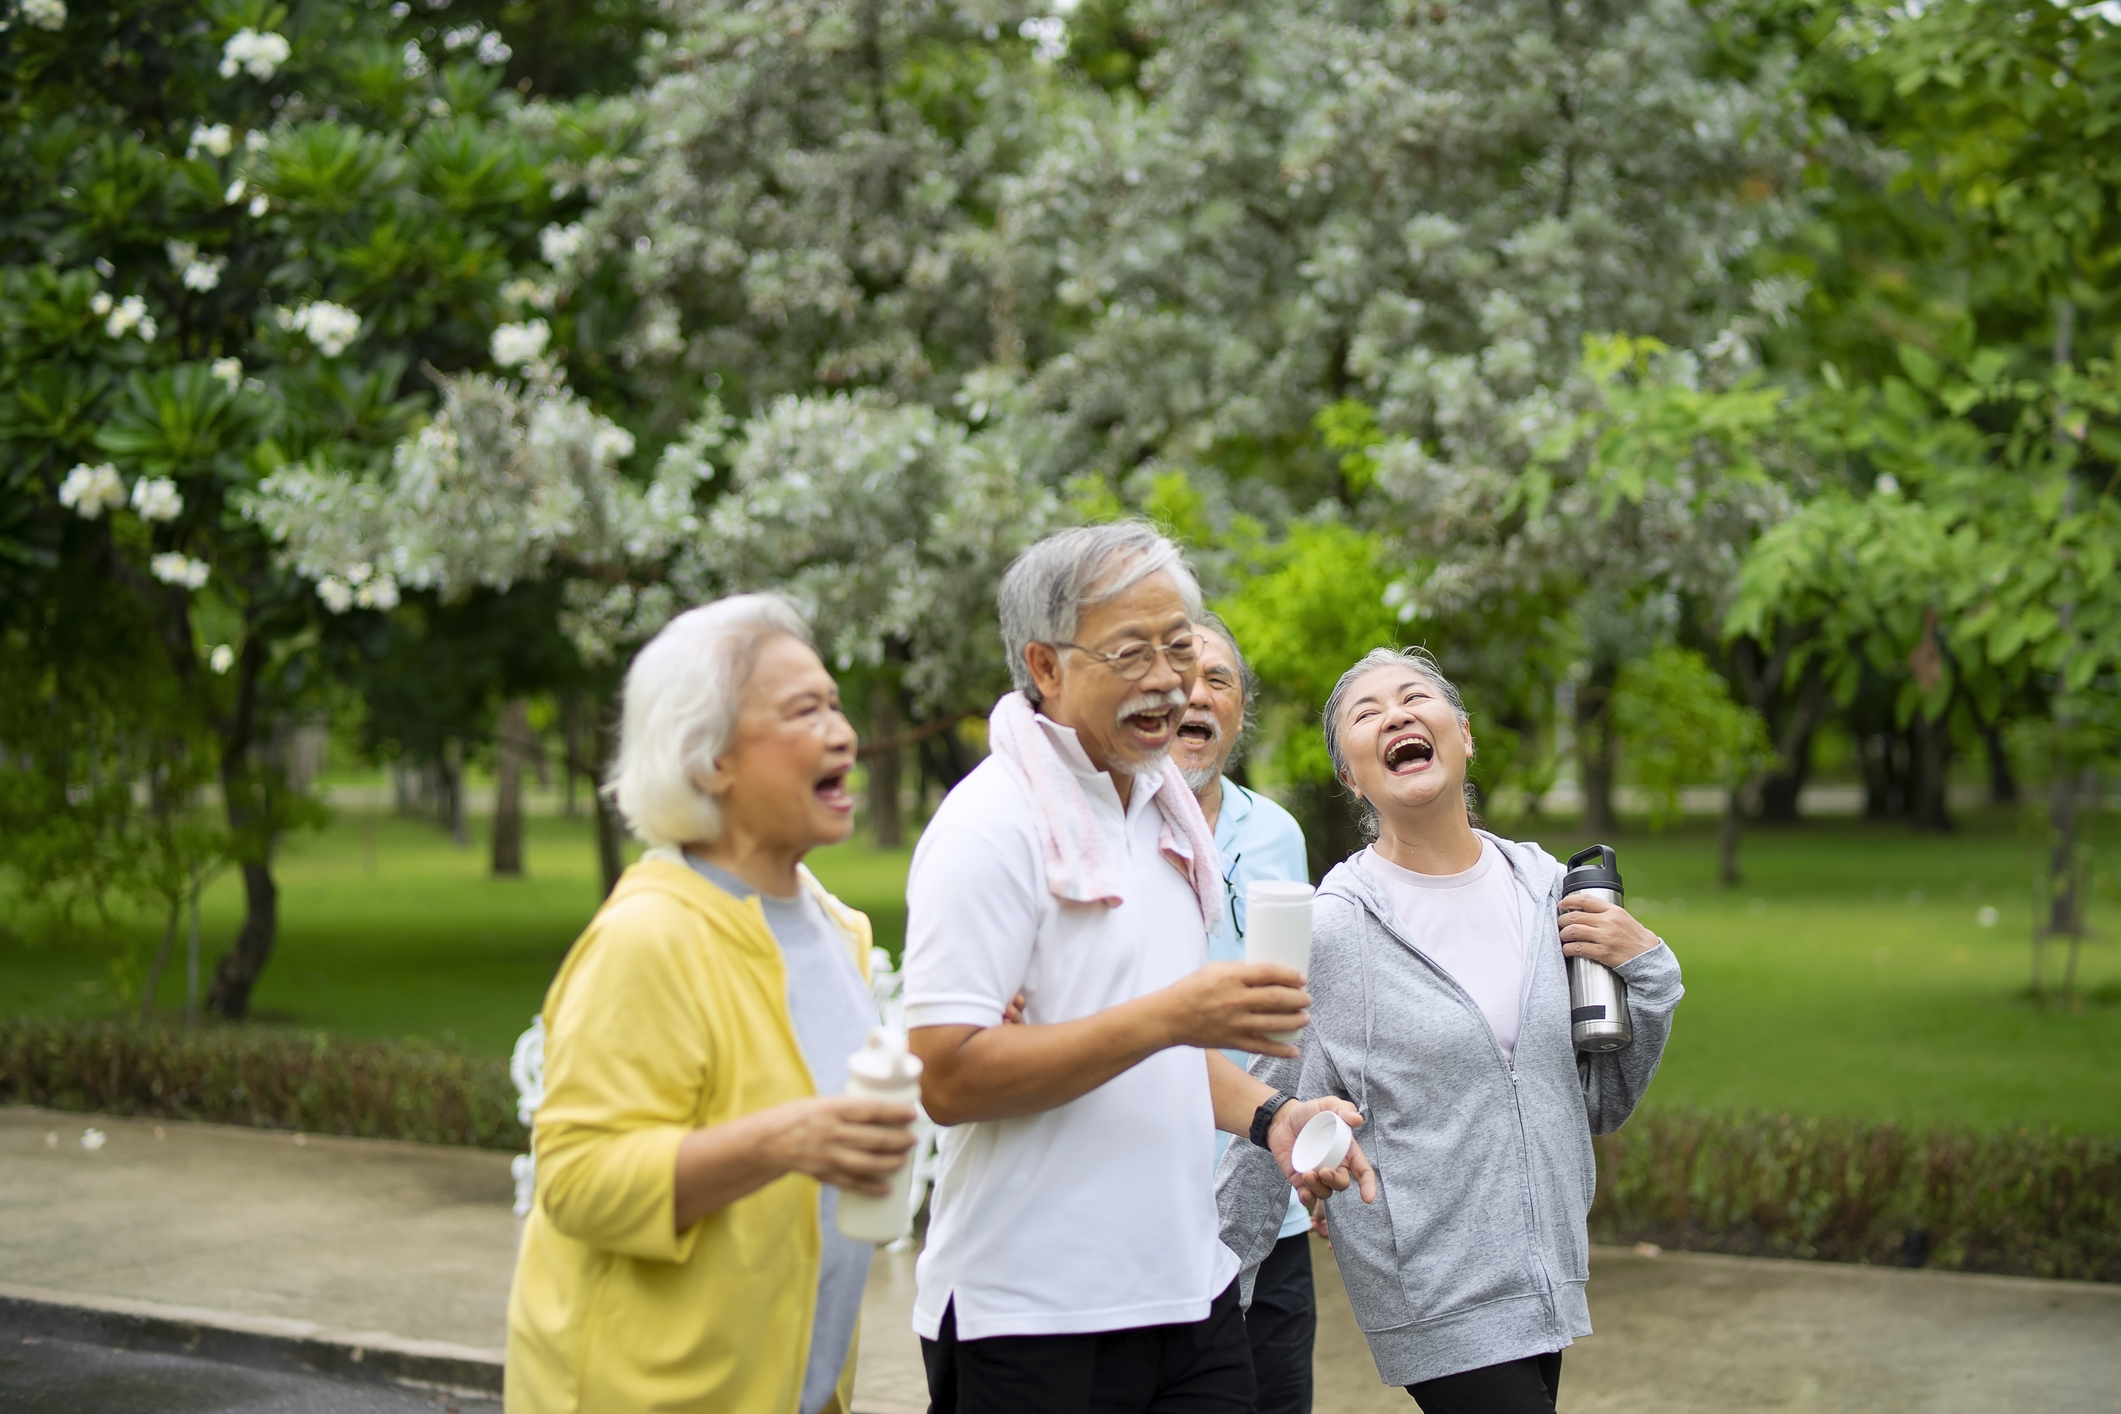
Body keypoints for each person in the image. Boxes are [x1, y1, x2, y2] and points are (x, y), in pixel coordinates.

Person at [902, 522, 1376, 1414]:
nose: (1169, 679)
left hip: (1189, 1297)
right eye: (1131, 652)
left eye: (1180, 646)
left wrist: (1271, 1118)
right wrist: (1169, 1017)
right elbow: (948, 1078)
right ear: (1045, 667)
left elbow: (1159, 1053)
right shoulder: (988, 830)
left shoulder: (1165, 817)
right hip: (1030, 1314)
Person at [1218, 646, 1684, 1414]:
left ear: (1462, 736)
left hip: (1546, 1275)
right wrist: (1216, 1298)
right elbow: (1264, 1107)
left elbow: (1594, 1102)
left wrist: (1651, 975)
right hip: (1431, 1289)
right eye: (1365, 714)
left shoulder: (1547, 891)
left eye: (1413, 698)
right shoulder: (1331, 928)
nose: (1394, 715)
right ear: (1350, 775)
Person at [506, 595, 918, 1414]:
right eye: (805, 712)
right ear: (709, 760)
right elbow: (578, 1182)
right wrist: (787, 1137)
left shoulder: (835, 926)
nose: (842, 732)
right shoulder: (648, 936)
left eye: (836, 705)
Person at [1167, 612, 1318, 1414]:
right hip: (1155, 1200)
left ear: (1239, 709)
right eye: (1180, 676)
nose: (1197, 694)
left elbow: (1291, 1010)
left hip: (1270, 1197)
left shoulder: (1277, 834)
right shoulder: (1119, 832)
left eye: (1217, 679)